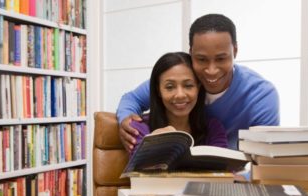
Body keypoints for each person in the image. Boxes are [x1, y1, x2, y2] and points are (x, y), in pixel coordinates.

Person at [117, 14, 280, 151]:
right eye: (201, 59)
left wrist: (231, 178)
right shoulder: (182, 78)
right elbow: (132, 99)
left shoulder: (262, 95)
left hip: (231, 175)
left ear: (235, 51)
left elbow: (264, 158)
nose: (211, 70)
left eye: (221, 58)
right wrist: (126, 122)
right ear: (191, 53)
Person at [129, 51, 228, 157]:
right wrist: (153, 144)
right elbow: (138, 170)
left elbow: (224, 169)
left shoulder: (213, 128)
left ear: (198, 87)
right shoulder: (138, 128)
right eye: (170, 87)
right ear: (158, 90)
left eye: (188, 85)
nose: (180, 95)